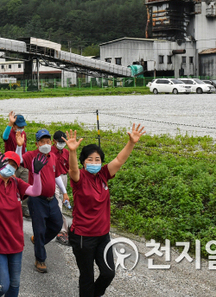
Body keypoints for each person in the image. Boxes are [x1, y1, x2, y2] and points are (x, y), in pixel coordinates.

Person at [64, 125, 145, 297]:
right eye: (90, 159)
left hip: (103, 236)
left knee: (108, 273)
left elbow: (119, 160)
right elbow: (72, 170)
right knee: (87, 276)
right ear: (83, 162)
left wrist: (131, 143)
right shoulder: (79, 178)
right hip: (83, 237)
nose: (94, 163)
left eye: (97, 159)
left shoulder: (103, 175)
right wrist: (72, 151)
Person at [0, 151, 47, 297]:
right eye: (7, 163)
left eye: (13, 165)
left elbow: (36, 191)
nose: (9, 167)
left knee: (14, 285)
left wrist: (37, 174)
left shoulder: (16, 183)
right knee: (2, 286)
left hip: (15, 242)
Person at [22, 129, 68, 273]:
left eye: (48, 141)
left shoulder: (52, 156)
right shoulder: (31, 156)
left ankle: (38, 241)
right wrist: (19, 145)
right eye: (42, 141)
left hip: (51, 198)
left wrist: (65, 192)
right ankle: (40, 259)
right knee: (40, 229)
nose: (46, 144)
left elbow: (56, 175)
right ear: (37, 144)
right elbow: (17, 160)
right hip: (37, 200)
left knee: (57, 224)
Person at [2, 111, 30, 217]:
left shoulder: (23, 134)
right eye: (19, 126)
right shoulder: (9, 133)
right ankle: (9, 205)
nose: (21, 128)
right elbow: (4, 137)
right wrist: (10, 123)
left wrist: (26, 157)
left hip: (22, 163)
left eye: (23, 126)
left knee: (25, 185)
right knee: (10, 185)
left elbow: (25, 147)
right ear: (14, 126)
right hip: (11, 164)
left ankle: (24, 207)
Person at [52, 131, 71, 245]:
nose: (61, 144)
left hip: (63, 178)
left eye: (64, 142)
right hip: (53, 178)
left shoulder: (66, 152)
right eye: (59, 142)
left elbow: (69, 167)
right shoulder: (49, 152)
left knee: (62, 202)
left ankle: (55, 226)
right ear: (54, 141)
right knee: (57, 203)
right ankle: (62, 231)